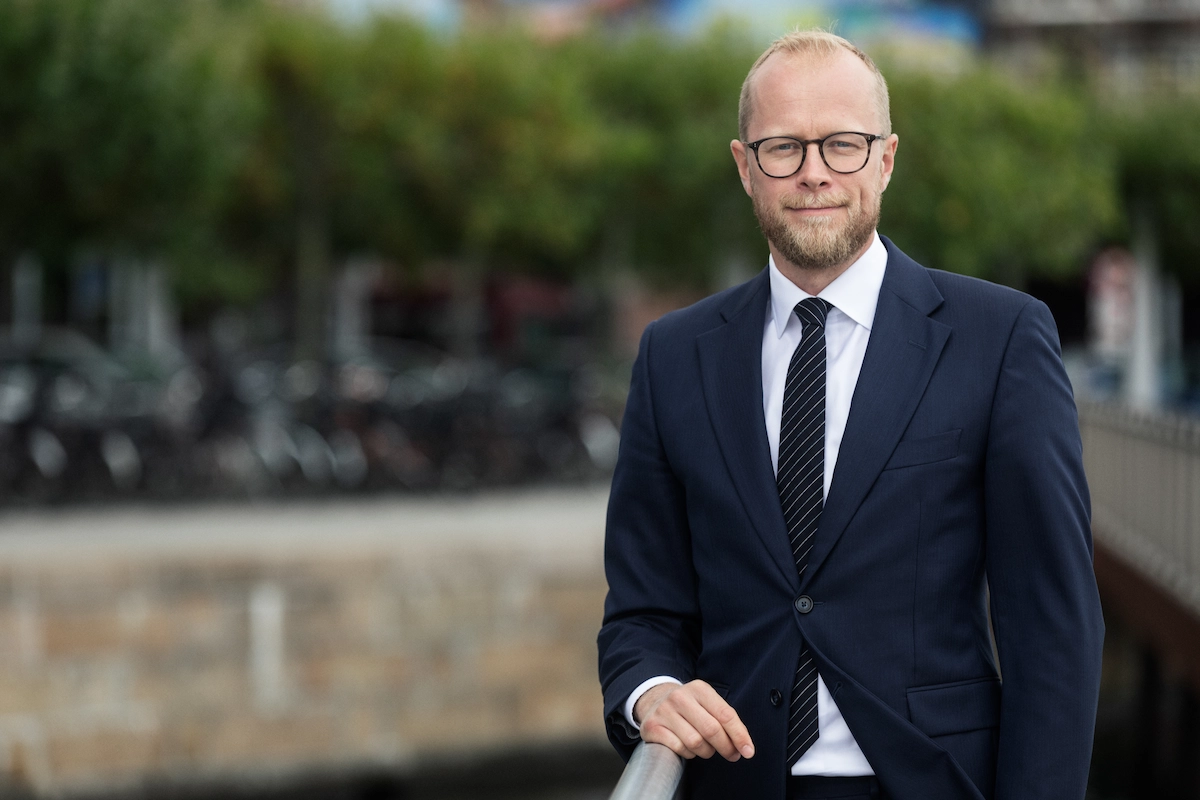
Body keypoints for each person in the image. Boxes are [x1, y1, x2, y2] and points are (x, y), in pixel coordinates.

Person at [597, 29, 1104, 800]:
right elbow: (642, 611)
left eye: (842, 144)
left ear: (886, 158)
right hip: (735, 785)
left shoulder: (999, 338)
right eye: (782, 149)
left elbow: (1053, 627)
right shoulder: (674, 355)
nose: (813, 174)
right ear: (744, 167)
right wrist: (652, 692)